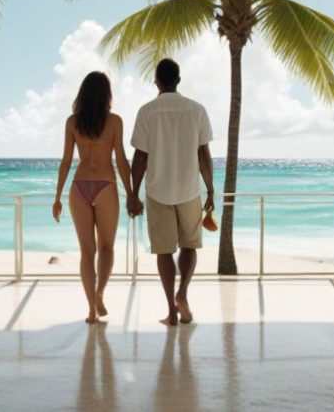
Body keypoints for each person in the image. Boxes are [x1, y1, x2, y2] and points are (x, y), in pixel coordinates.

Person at [127, 58, 215, 326]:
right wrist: (211, 189)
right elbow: (204, 154)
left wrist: (133, 193)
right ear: (178, 80)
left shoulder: (147, 112)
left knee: (164, 251)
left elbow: (140, 158)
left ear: (156, 81)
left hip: (157, 191)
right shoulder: (197, 110)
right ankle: (183, 294)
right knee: (190, 245)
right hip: (189, 189)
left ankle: (172, 311)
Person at [53, 72, 133, 324]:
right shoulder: (115, 122)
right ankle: (99, 294)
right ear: (106, 94)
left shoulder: (72, 122)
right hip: (106, 185)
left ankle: (90, 310)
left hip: (79, 186)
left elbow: (66, 162)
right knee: (106, 247)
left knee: (86, 252)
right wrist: (131, 193)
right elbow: (120, 159)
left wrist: (57, 197)